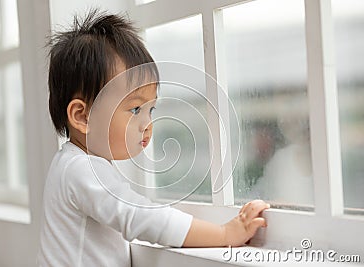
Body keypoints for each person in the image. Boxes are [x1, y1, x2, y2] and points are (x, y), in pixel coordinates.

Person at [38, 9, 270, 267]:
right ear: (82, 116)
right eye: (135, 109)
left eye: (151, 110)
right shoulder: (82, 169)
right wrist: (226, 234)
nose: (147, 124)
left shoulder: (72, 164)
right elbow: (143, 217)